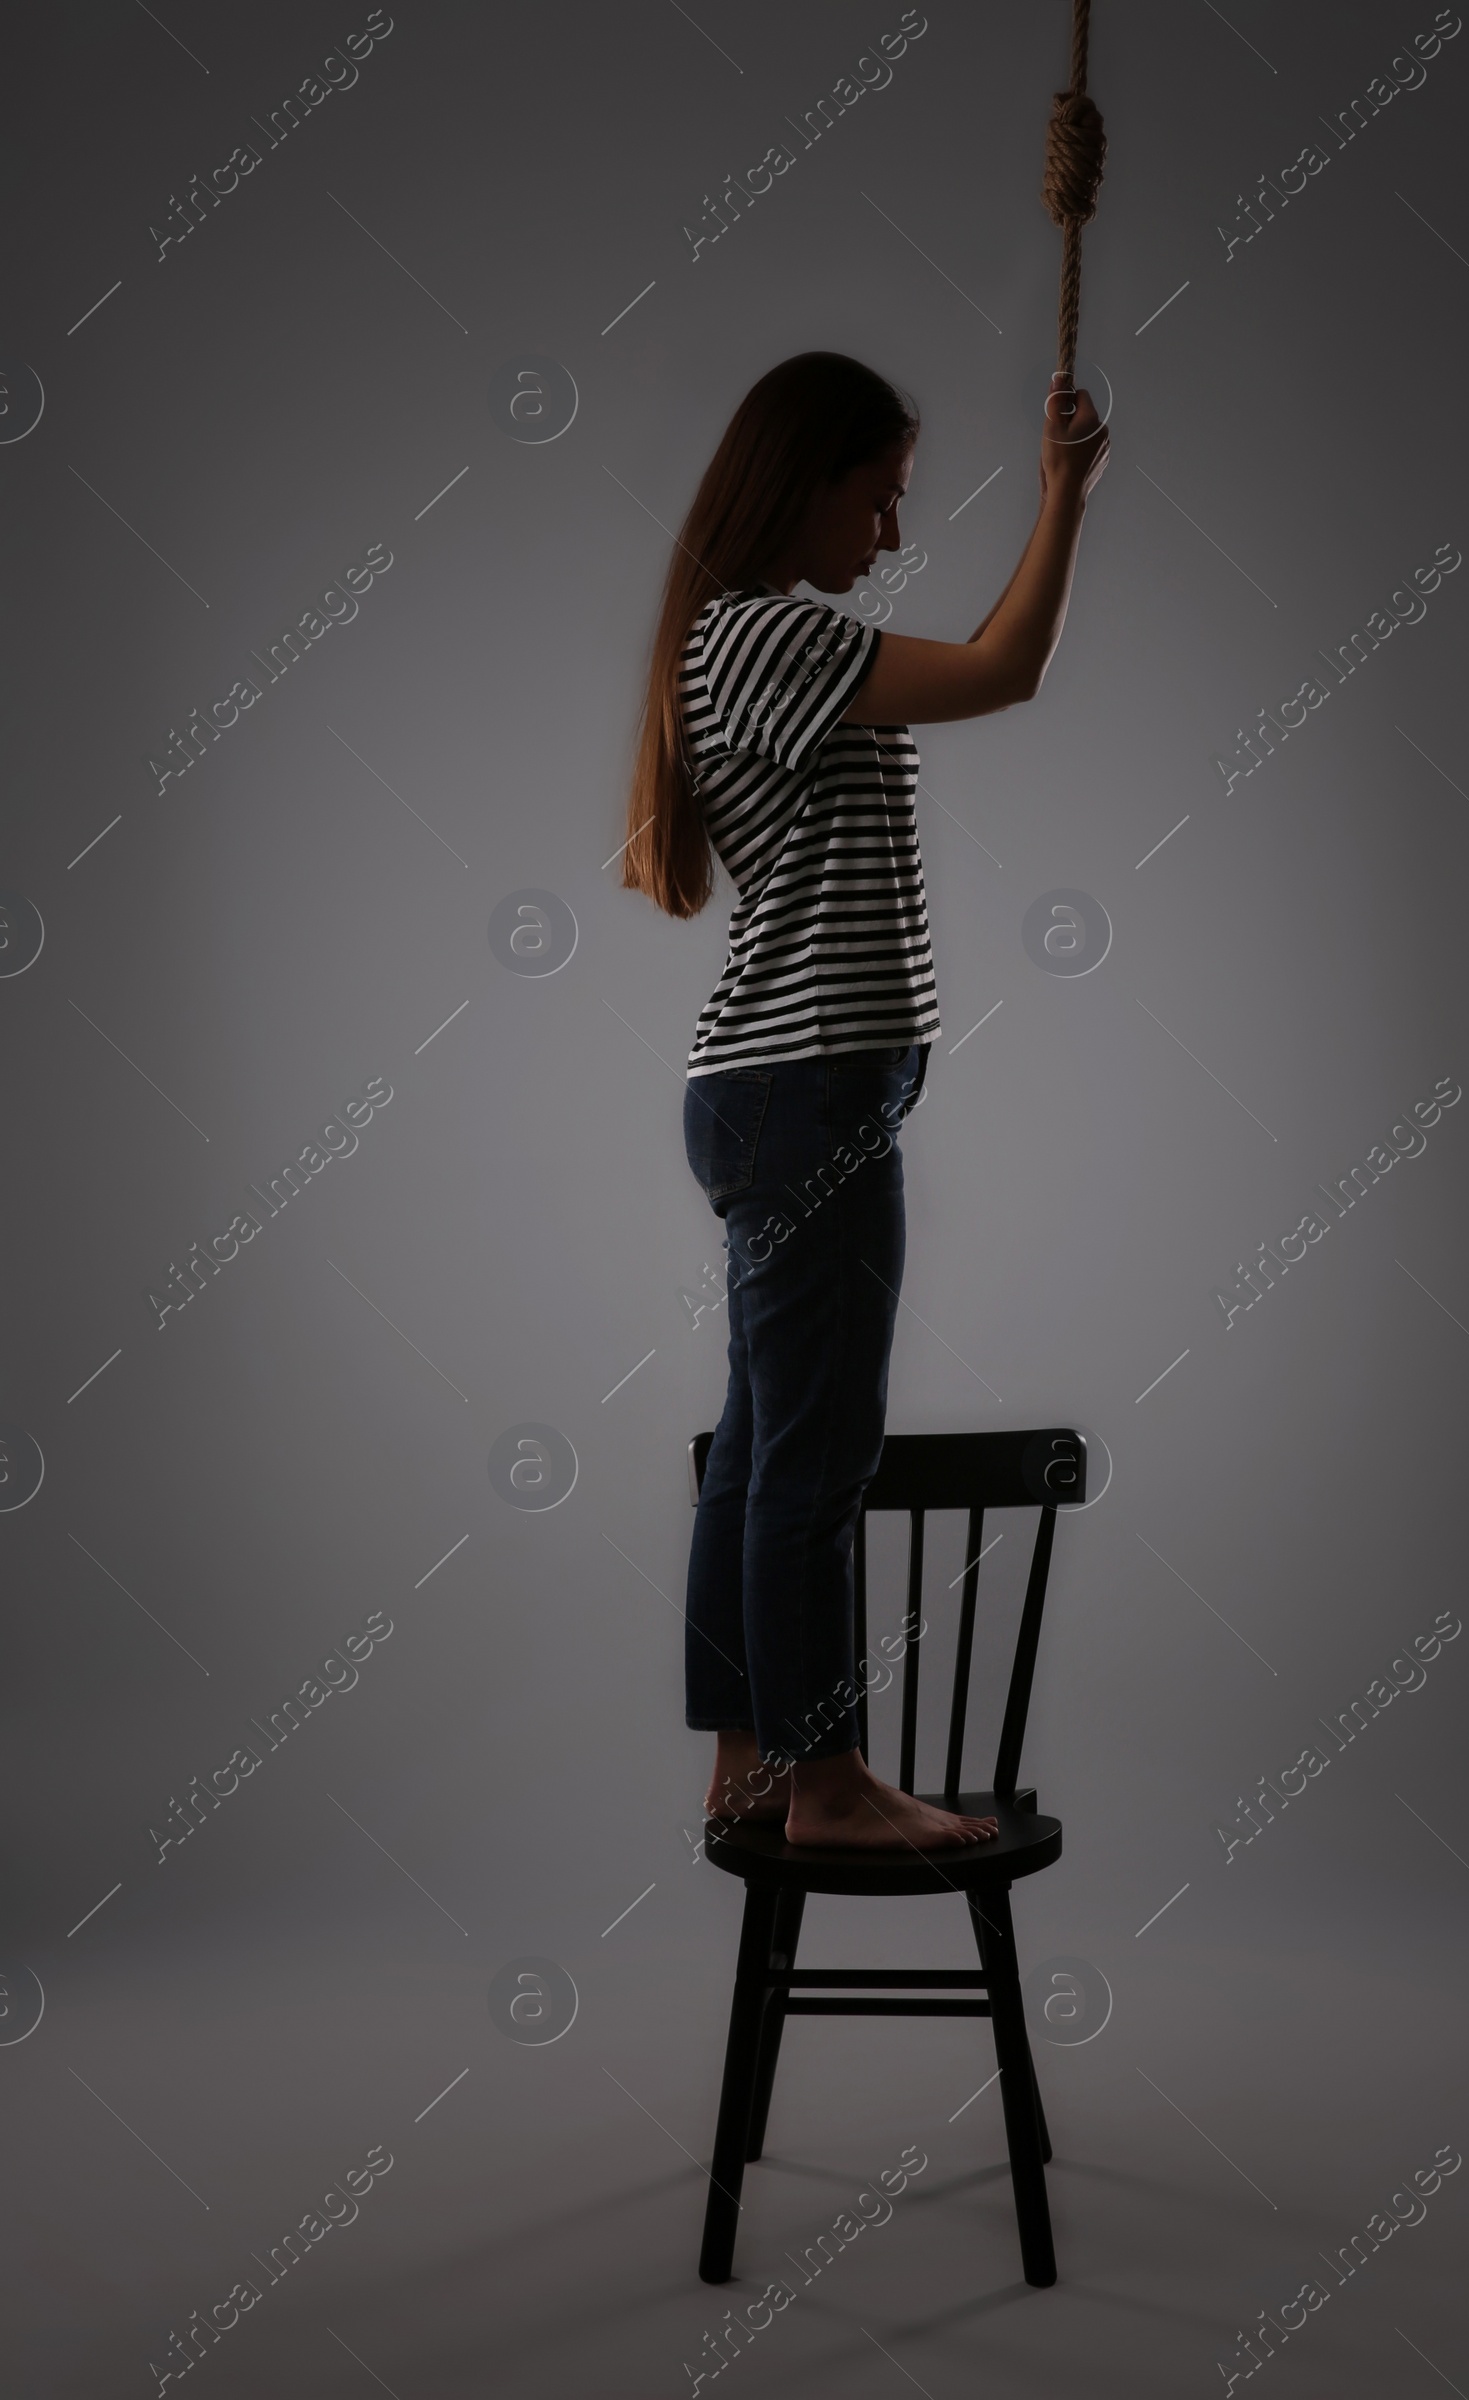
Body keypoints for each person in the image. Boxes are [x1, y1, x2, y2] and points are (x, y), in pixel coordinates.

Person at [621, 350, 1108, 1849]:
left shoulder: (744, 639)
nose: (890, 537)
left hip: (787, 1091)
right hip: (806, 1093)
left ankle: (754, 1762)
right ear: (808, 477)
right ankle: (823, 1784)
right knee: (814, 1459)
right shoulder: (765, 636)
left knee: (770, 1446)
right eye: (881, 497)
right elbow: (1007, 670)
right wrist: (1065, 496)